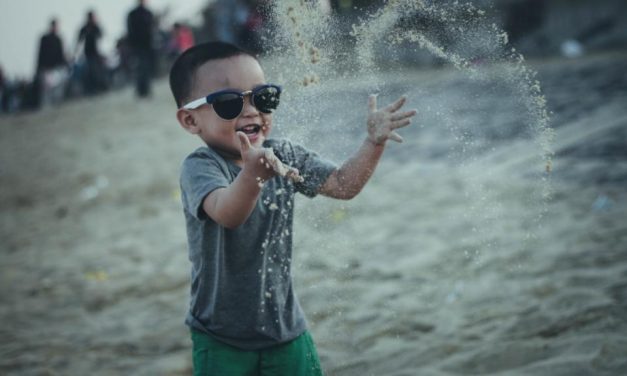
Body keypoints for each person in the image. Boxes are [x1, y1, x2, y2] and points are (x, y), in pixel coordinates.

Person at [169, 41, 416, 375]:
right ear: (190, 120)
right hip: (221, 336)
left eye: (263, 97)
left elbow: (343, 185)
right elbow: (228, 214)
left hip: (285, 328)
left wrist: (373, 143)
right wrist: (252, 175)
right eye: (229, 103)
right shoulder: (201, 167)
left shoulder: (282, 154)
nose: (251, 110)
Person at [35, 18, 68, 107]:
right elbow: (40, 54)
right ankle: (46, 107)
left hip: (56, 69)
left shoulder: (58, 39)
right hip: (47, 69)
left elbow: (61, 55)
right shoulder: (45, 39)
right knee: (46, 91)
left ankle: (55, 105)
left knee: (57, 90)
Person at [127, 0, 155, 97]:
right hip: (139, 46)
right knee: (141, 69)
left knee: (144, 68)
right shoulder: (134, 14)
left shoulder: (147, 13)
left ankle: (144, 90)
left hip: (146, 46)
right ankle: (142, 91)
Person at [77, 10, 107, 94]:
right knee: (90, 72)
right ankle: (91, 89)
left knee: (97, 72)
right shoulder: (85, 28)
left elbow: (102, 37)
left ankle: (99, 88)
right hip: (88, 54)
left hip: (97, 53)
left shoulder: (96, 27)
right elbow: (79, 40)